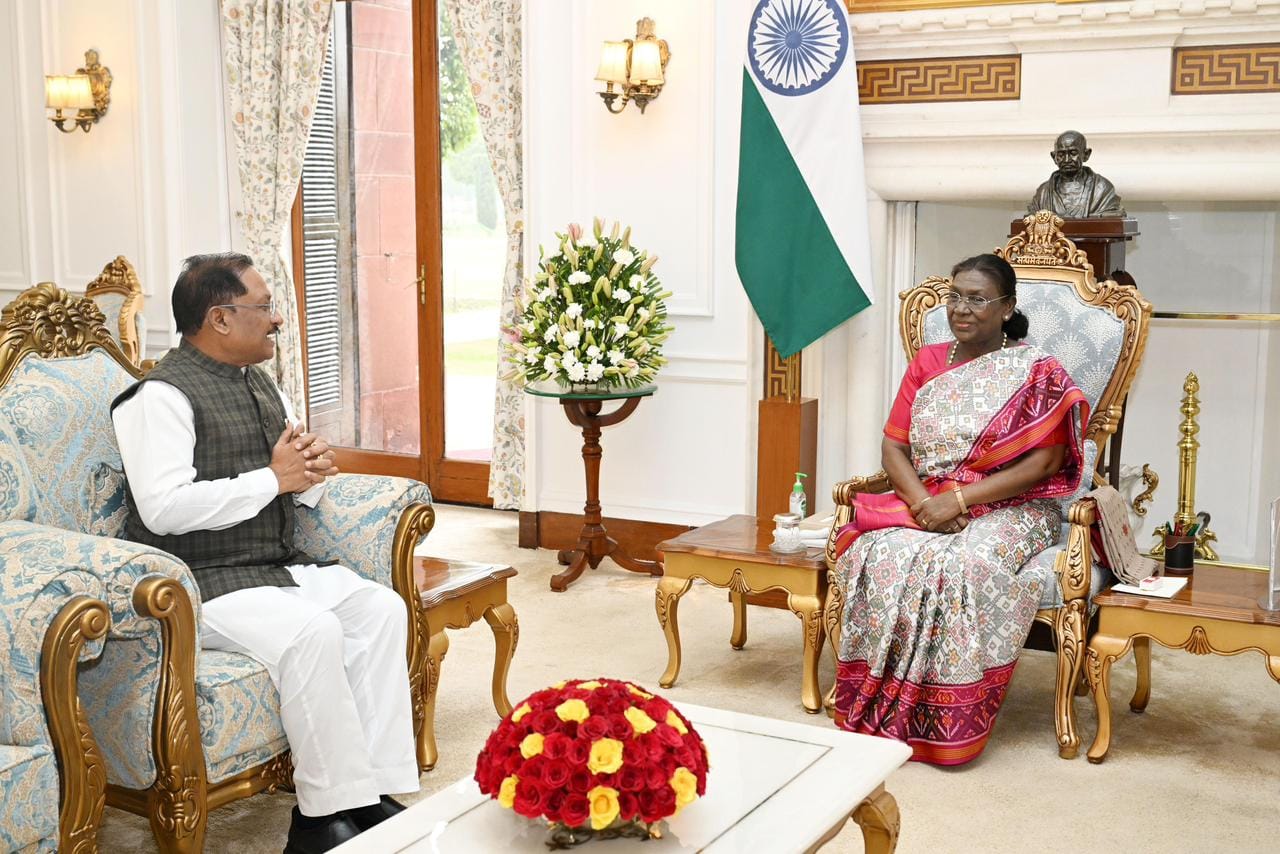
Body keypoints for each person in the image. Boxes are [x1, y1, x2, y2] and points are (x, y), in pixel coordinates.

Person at [111, 253, 419, 852]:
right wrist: (274, 479)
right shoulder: (159, 397)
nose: (277, 319)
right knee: (312, 632)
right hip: (198, 580)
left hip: (269, 566)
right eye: (266, 307)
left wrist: (309, 474)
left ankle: (369, 793)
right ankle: (319, 821)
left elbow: (286, 473)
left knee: (380, 609)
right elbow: (162, 509)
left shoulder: (258, 380)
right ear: (220, 318)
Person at [830, 253, 1089, 765]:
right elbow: (893, 447)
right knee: (881, 554)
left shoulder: (1037, 371)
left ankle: (947, 719)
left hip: (1014, 506)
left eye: (977, 299)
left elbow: (1046, 461)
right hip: (928, 499)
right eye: (955, 297)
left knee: (965, 564)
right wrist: (927, 503)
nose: (961, 309)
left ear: (1007, 307)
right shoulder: (928, 362)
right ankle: (888, 704)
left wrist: (961, 499)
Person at [1027, 130, 1125, 218]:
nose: (1067, 160)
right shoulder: (1043, 192)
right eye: (1061, 154)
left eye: (1073, 153)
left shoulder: (1102, 188)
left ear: (1086, 154)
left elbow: (1113, 218)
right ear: (1054, 157)